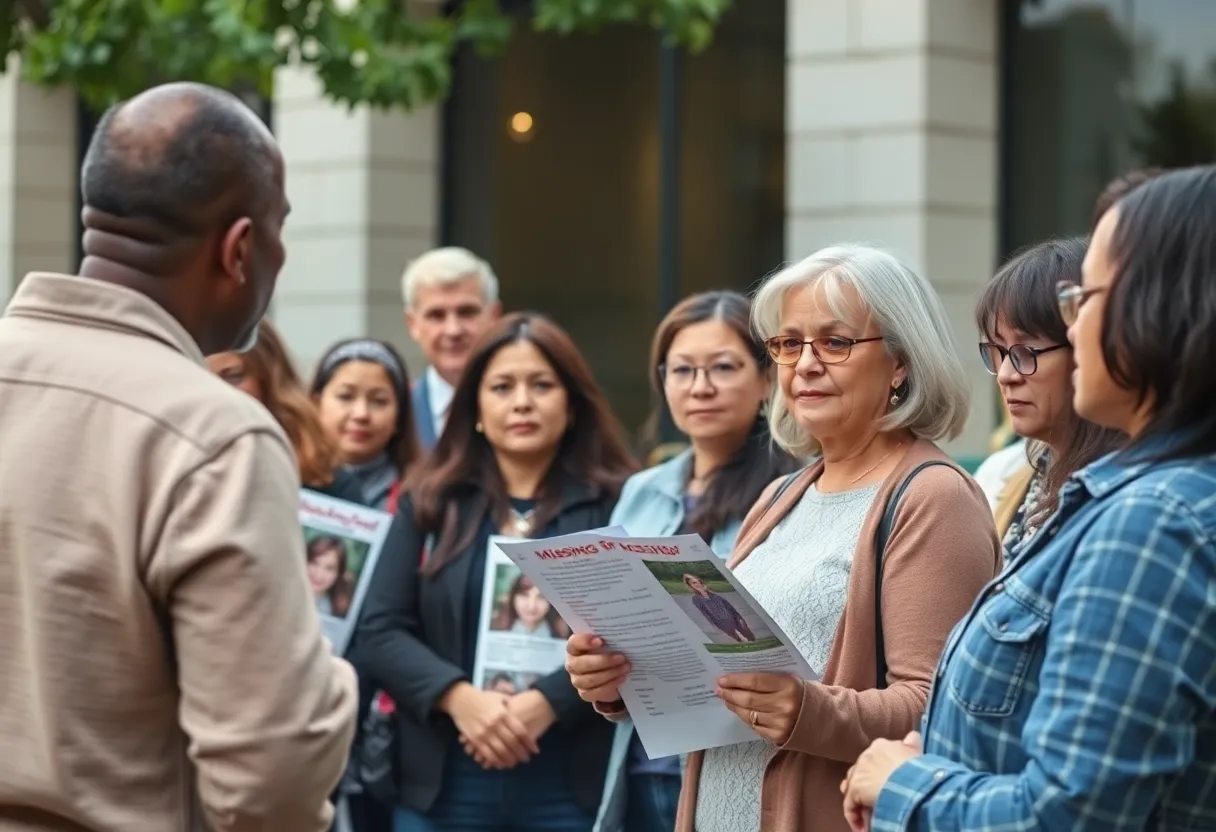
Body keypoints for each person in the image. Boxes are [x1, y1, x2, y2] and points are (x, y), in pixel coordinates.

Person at [0, 83, 357, 832]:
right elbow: (271, 785)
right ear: (238, 250)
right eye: (279, 228)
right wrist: (330, 683)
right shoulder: (213, 435)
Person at [568, 244, 1002, 832]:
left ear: (900, 362)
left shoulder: (933, 496)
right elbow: (717, 681)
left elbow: (945, 709)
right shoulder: (781, 496)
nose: (805, 364)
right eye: (787, 344)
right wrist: (623, 679)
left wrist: (806, 709)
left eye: (836, 342)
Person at [845, 166, 1216, 830]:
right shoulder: (1138, 495)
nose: (1074, 330)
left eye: (1084, 300)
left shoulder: (1153, 521)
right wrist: (936, 753)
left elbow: (1069, 815)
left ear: (1162, 309)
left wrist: (905, 783)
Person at [357, 312, 638, 832]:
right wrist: (460, 701)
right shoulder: (431, 500)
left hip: (573, 780)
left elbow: (638, 628)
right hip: (443, 779)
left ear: (573, 404)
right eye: (502, 386)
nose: (522, 401)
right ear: (476, 408)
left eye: (542, 385)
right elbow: (379, 627)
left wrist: (547, 702)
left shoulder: (620, 503)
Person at [591, 290, 798, 832]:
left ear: (766, 379)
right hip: (640, 761)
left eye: (723, 368)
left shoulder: (795, 489)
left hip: (736, 762)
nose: (700, 387)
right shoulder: (642, 488)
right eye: (682, 370)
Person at [975, 239, 1123, 547]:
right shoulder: (1004, 473)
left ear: (1087, 346)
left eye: (1027, 351)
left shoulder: (1125, 490)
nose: (1005, 375)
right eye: (997, 352)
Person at [207, 317, 365, 503]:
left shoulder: (324, 476)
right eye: (199, 378)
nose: (216, 390)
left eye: (233, 377)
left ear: (269, 377)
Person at [401, 247, 503, 449]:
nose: (453, 330)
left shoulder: (521, 410)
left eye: (467, 312)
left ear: (494, 316)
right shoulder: (397, 414)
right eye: (436, 315)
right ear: (412, 324)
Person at [312, 339, 420, 510]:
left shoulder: (422, 494)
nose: (361, 414)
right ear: (316, 404)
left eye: (378, 401)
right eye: (346, 396)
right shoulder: (289, 481)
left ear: (399, 415)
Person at [684, 573, 755, 642]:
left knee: (747, 633)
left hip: (733, 617)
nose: (696, 584)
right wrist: (713, 625)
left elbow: (729, 606)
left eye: (697, 581)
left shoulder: (713, 594)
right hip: (721, 622)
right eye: (693, 583)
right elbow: (705, 613)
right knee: (738, 637)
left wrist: (739, 617)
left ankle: (753, 642)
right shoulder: (696, 598)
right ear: (690, 585)